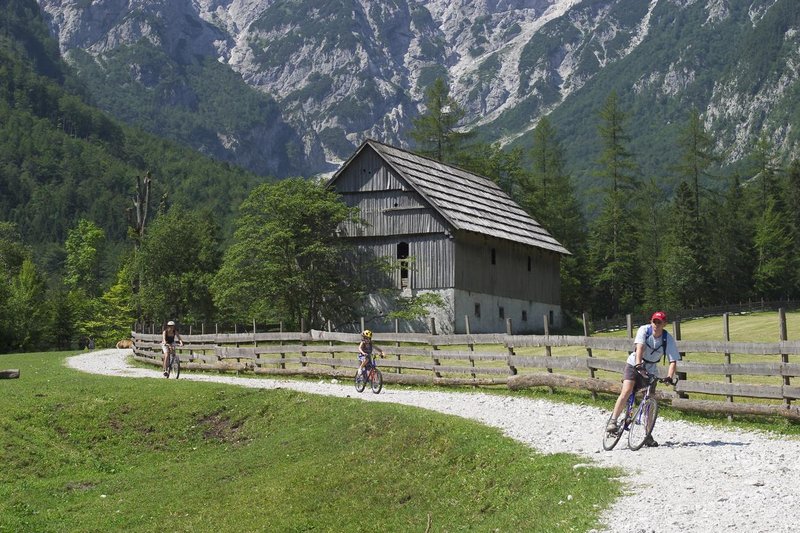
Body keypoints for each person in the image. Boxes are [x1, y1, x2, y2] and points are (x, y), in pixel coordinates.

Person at [606, 311, 681, 447]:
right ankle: (613, 421)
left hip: (651, 368)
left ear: (664, 324)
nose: (656, 325)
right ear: (651, 321)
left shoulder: (667, 338)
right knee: (627, 390)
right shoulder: (644, 330)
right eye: (654, 322)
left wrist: (669, 377)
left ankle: (647, 434)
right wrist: (639, 364)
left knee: (650, 399)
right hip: (635, 363)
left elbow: (673, 360)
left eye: (660, 322)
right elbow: (639, 348)